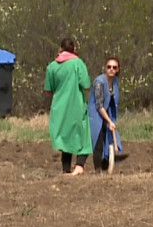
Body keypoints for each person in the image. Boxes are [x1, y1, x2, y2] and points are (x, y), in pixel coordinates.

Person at [44, 38, 92, 176]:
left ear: (60, 49)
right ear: (74, 49)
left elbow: (48, 89)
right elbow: (86, 84)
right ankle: (79, 165)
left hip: (59, 106)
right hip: (76, 104)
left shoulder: (52, 66)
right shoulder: (78, 63)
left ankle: (66, 169)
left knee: (65, 136)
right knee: (82, 134)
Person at [89, 57, 122, 173]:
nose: (111, 69)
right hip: (96, 115)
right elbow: (99, 105)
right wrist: (109, 120)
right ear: (105, 68)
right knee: (98, 142)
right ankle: (97, 170)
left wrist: (110, 119)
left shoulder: (115, 82)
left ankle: (106, 165)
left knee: (109, 140)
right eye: (109, 67)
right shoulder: (99, 82)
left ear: (118, 69)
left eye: (114, 67)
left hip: (107, 114)